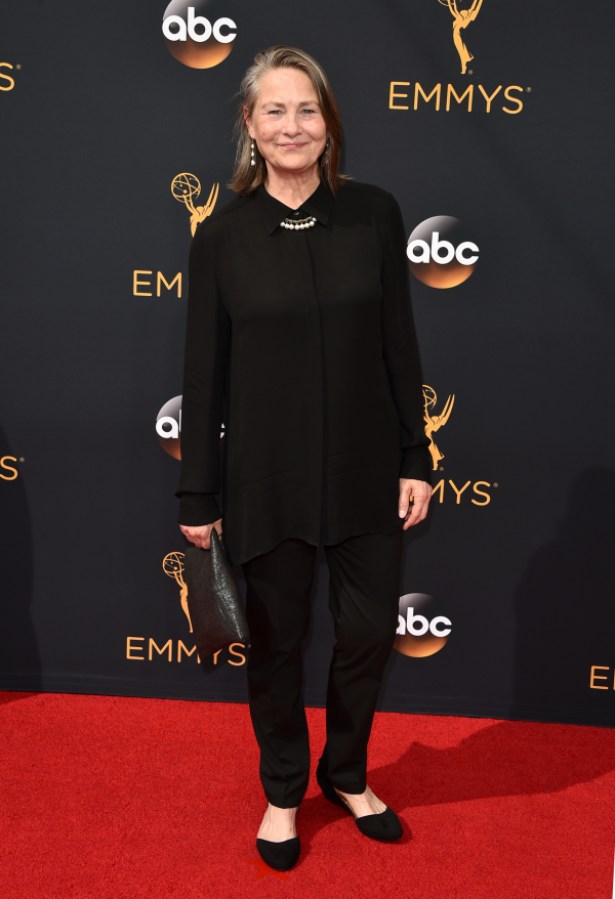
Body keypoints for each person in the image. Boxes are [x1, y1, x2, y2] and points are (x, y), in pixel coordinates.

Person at [176, 45, 433, 871]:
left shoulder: (375, 214)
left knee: (363, 636)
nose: (293, 126)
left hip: (366, 476)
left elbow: (399, 345)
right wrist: (197, 496)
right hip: (267, 479)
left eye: (308, 110)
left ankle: (347, 772)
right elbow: (203, 376)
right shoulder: (220, 237)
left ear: (329, 125)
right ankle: (284, 789)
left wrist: (415, 457)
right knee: (278, 644)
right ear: (249, 127)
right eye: (275, 111)